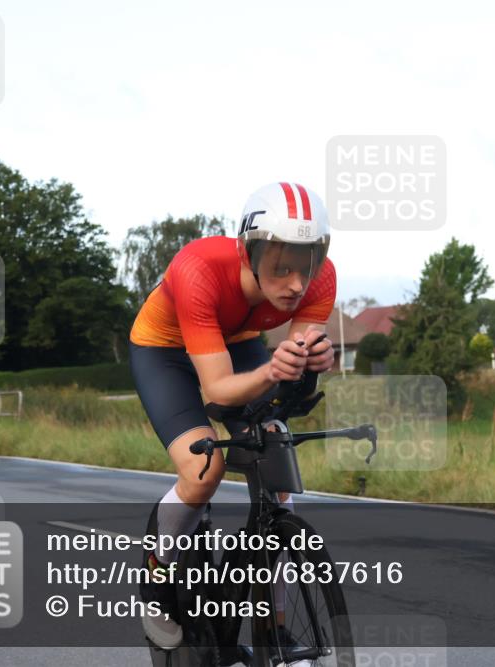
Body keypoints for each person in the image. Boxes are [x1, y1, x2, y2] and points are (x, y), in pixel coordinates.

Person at [128, 182, 336, 651]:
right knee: (205, 468)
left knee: (276, 462)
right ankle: (157, 575)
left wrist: (312, 361)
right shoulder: (199, 269)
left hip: (236, 343)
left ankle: (274, 623)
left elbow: (295, 365)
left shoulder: (322, 281)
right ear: (248, 253)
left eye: (306, 267)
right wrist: (272, 370)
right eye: (281, 268)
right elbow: (218, 390)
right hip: (165, 352)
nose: (297, 285)